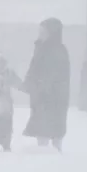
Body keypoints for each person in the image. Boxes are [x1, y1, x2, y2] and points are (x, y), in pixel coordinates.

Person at [23, 18, 71, 151]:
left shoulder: (58, 50)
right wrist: (30, 81)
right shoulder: (41, 48)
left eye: (43, 31)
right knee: (41, 127)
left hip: (54, 96)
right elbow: (34, 68)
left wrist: (43, 85)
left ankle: (55, 156)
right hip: (42, 94)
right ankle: (42, 153)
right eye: (40, 31)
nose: (40, 34)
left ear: (52, 33)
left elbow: (56, 74)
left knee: (53, 127)